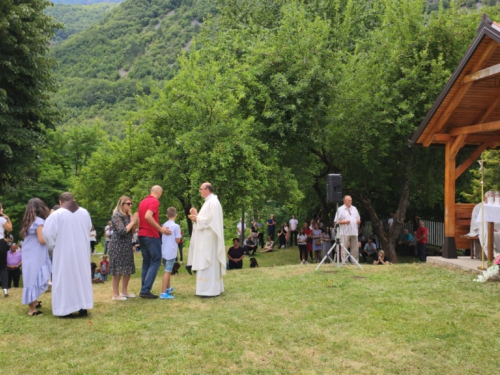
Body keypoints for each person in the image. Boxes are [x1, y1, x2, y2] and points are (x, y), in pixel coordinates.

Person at [42, 192, 93, 317]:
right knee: (81, 277)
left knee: (65, 278)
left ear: (60, 202)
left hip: (63, 252)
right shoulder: (85, 212)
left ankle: (65, 310)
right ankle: (83, 306)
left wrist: (53, 245)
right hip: (81, 252)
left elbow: (48, 234)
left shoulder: (56, 215)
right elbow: (89, 228)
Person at [187, 182, 226, 298]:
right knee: (204, 261)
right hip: (205, 238)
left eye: (201, 189)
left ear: (207, 189)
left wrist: (197, 219)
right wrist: (196, 216)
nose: (200, 191)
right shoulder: (208, 202)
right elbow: (206, 219)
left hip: (209, 240)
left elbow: (211, 222)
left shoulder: (213, 202)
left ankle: (209, 290)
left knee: (208, 262)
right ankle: (204, 289)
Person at [138, 185, 171, 299]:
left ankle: (144, 288)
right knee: (156, 260)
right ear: (159, 193)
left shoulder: (142, 202)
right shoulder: (155, 202)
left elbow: (141, 217)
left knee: (146, 261)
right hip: (151, 235)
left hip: (141, 234)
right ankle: (146, 289)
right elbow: (148, 216)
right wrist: (160, 228)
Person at [108, 196, 138, 301]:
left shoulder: (128, 216)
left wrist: (134, 221)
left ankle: (124, 291)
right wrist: (133, 222)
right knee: (117, 270)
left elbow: (132, 231)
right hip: (117, 246)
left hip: (127, 245)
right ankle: (115, 294)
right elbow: (122, 231)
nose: (130, 205)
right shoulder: (117, 216)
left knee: (127, 269)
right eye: (128, 204)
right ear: (122, 204)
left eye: (131, 203)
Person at [160, 207, 182, 300]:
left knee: (167, 269)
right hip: (171, 251)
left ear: (167, 215)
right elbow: (178, 240)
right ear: (176, 215)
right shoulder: (176, 226)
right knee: (168, 271)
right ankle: (163, 292)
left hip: (164, 250)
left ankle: (168, 288)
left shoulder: (164, 225)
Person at [334, 195, 361, 262]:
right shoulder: (340, 209)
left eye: (351, 200)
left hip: (354, 231)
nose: (350, 201)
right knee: (344, 247)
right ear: (345, 201)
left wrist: (358, 221)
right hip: (344, 232)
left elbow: (359, 218)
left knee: (355, 248)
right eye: (349, 200)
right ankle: (344, 261)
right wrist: (345, 222)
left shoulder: (354, 208)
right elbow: (336, 221)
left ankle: (354, 261)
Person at [0, 203, 13, 297]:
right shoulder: (2, 219)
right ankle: (5, 289)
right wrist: (7, 218)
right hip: (0, 242)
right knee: (3, 266)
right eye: (1, 208)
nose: (3, 209)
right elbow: (10, 228)